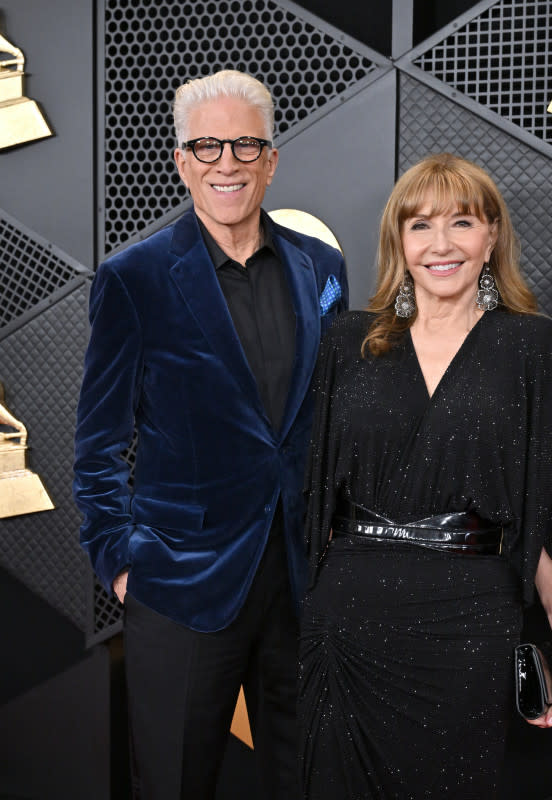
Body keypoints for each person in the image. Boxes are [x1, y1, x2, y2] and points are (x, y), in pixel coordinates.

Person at [74, 69, 348, 799]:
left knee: (309, 780)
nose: (227, 163)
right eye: (207, 146)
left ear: (271, 159)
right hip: (181, 584)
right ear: (181, 161)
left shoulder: (321, 267)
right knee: (173, 782)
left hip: (300, 579)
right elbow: (97, 442)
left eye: (245, 145)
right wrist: (121, 563)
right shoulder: (133, 278)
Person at [299, 153, 552, 799]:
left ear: (491, 237)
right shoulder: (348, 340)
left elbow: (542, 510)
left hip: (467, 625)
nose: (441, 244)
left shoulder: (528, 345)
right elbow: (311, 496)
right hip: (347, 619)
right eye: (420, 225)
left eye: (460, 222)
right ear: (398, 243)